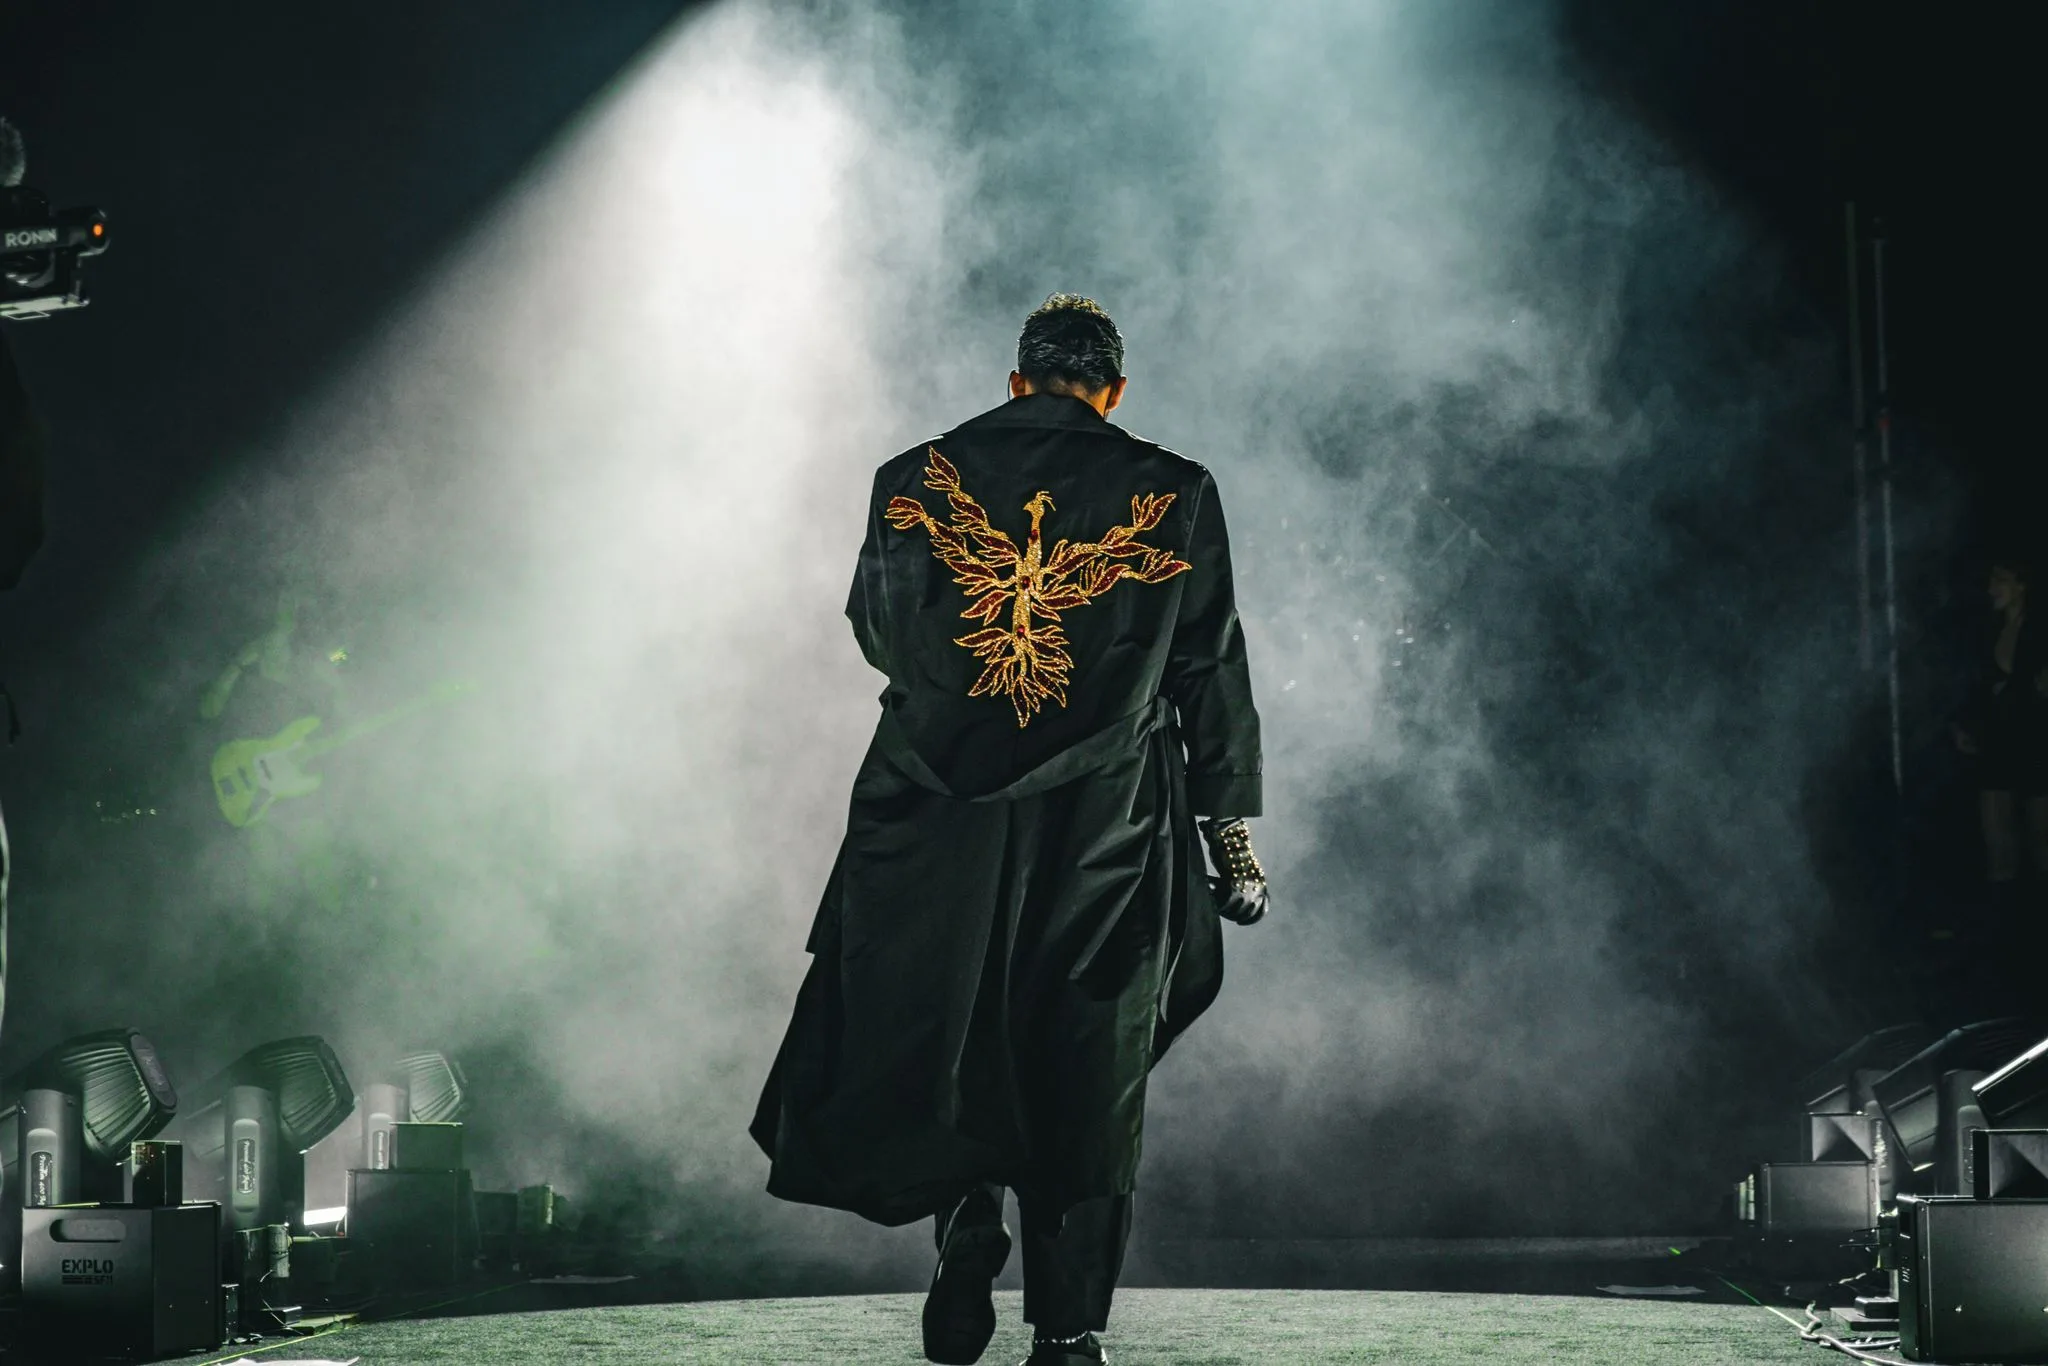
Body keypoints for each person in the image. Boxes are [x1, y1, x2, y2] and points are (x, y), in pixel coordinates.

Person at [751, 295, 1268, 1366]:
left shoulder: (913, 476)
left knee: (953, 1025)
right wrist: (1231, 838)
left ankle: (966, 1221)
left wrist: (968, 707)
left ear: (1017, 380)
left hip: (936, 809)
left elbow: (879, 632)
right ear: (1112, 391)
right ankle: (1066, 1328)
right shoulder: (1174, 490)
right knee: (1086, 1054)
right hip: (1104, 820)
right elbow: (1207, 663)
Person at [1953, 557, 2048, 907]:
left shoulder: (2040, 628)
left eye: (2001, 580)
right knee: (1997, 842)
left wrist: (2018, 689)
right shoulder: (1987, 629)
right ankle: (2003, 923)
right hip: (1996, 741)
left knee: (2041, 839)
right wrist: (1960, 724)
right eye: (1991, 581)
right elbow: (1971, 683)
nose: (1991, 589)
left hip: (2037, 741)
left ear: (2022, 585)